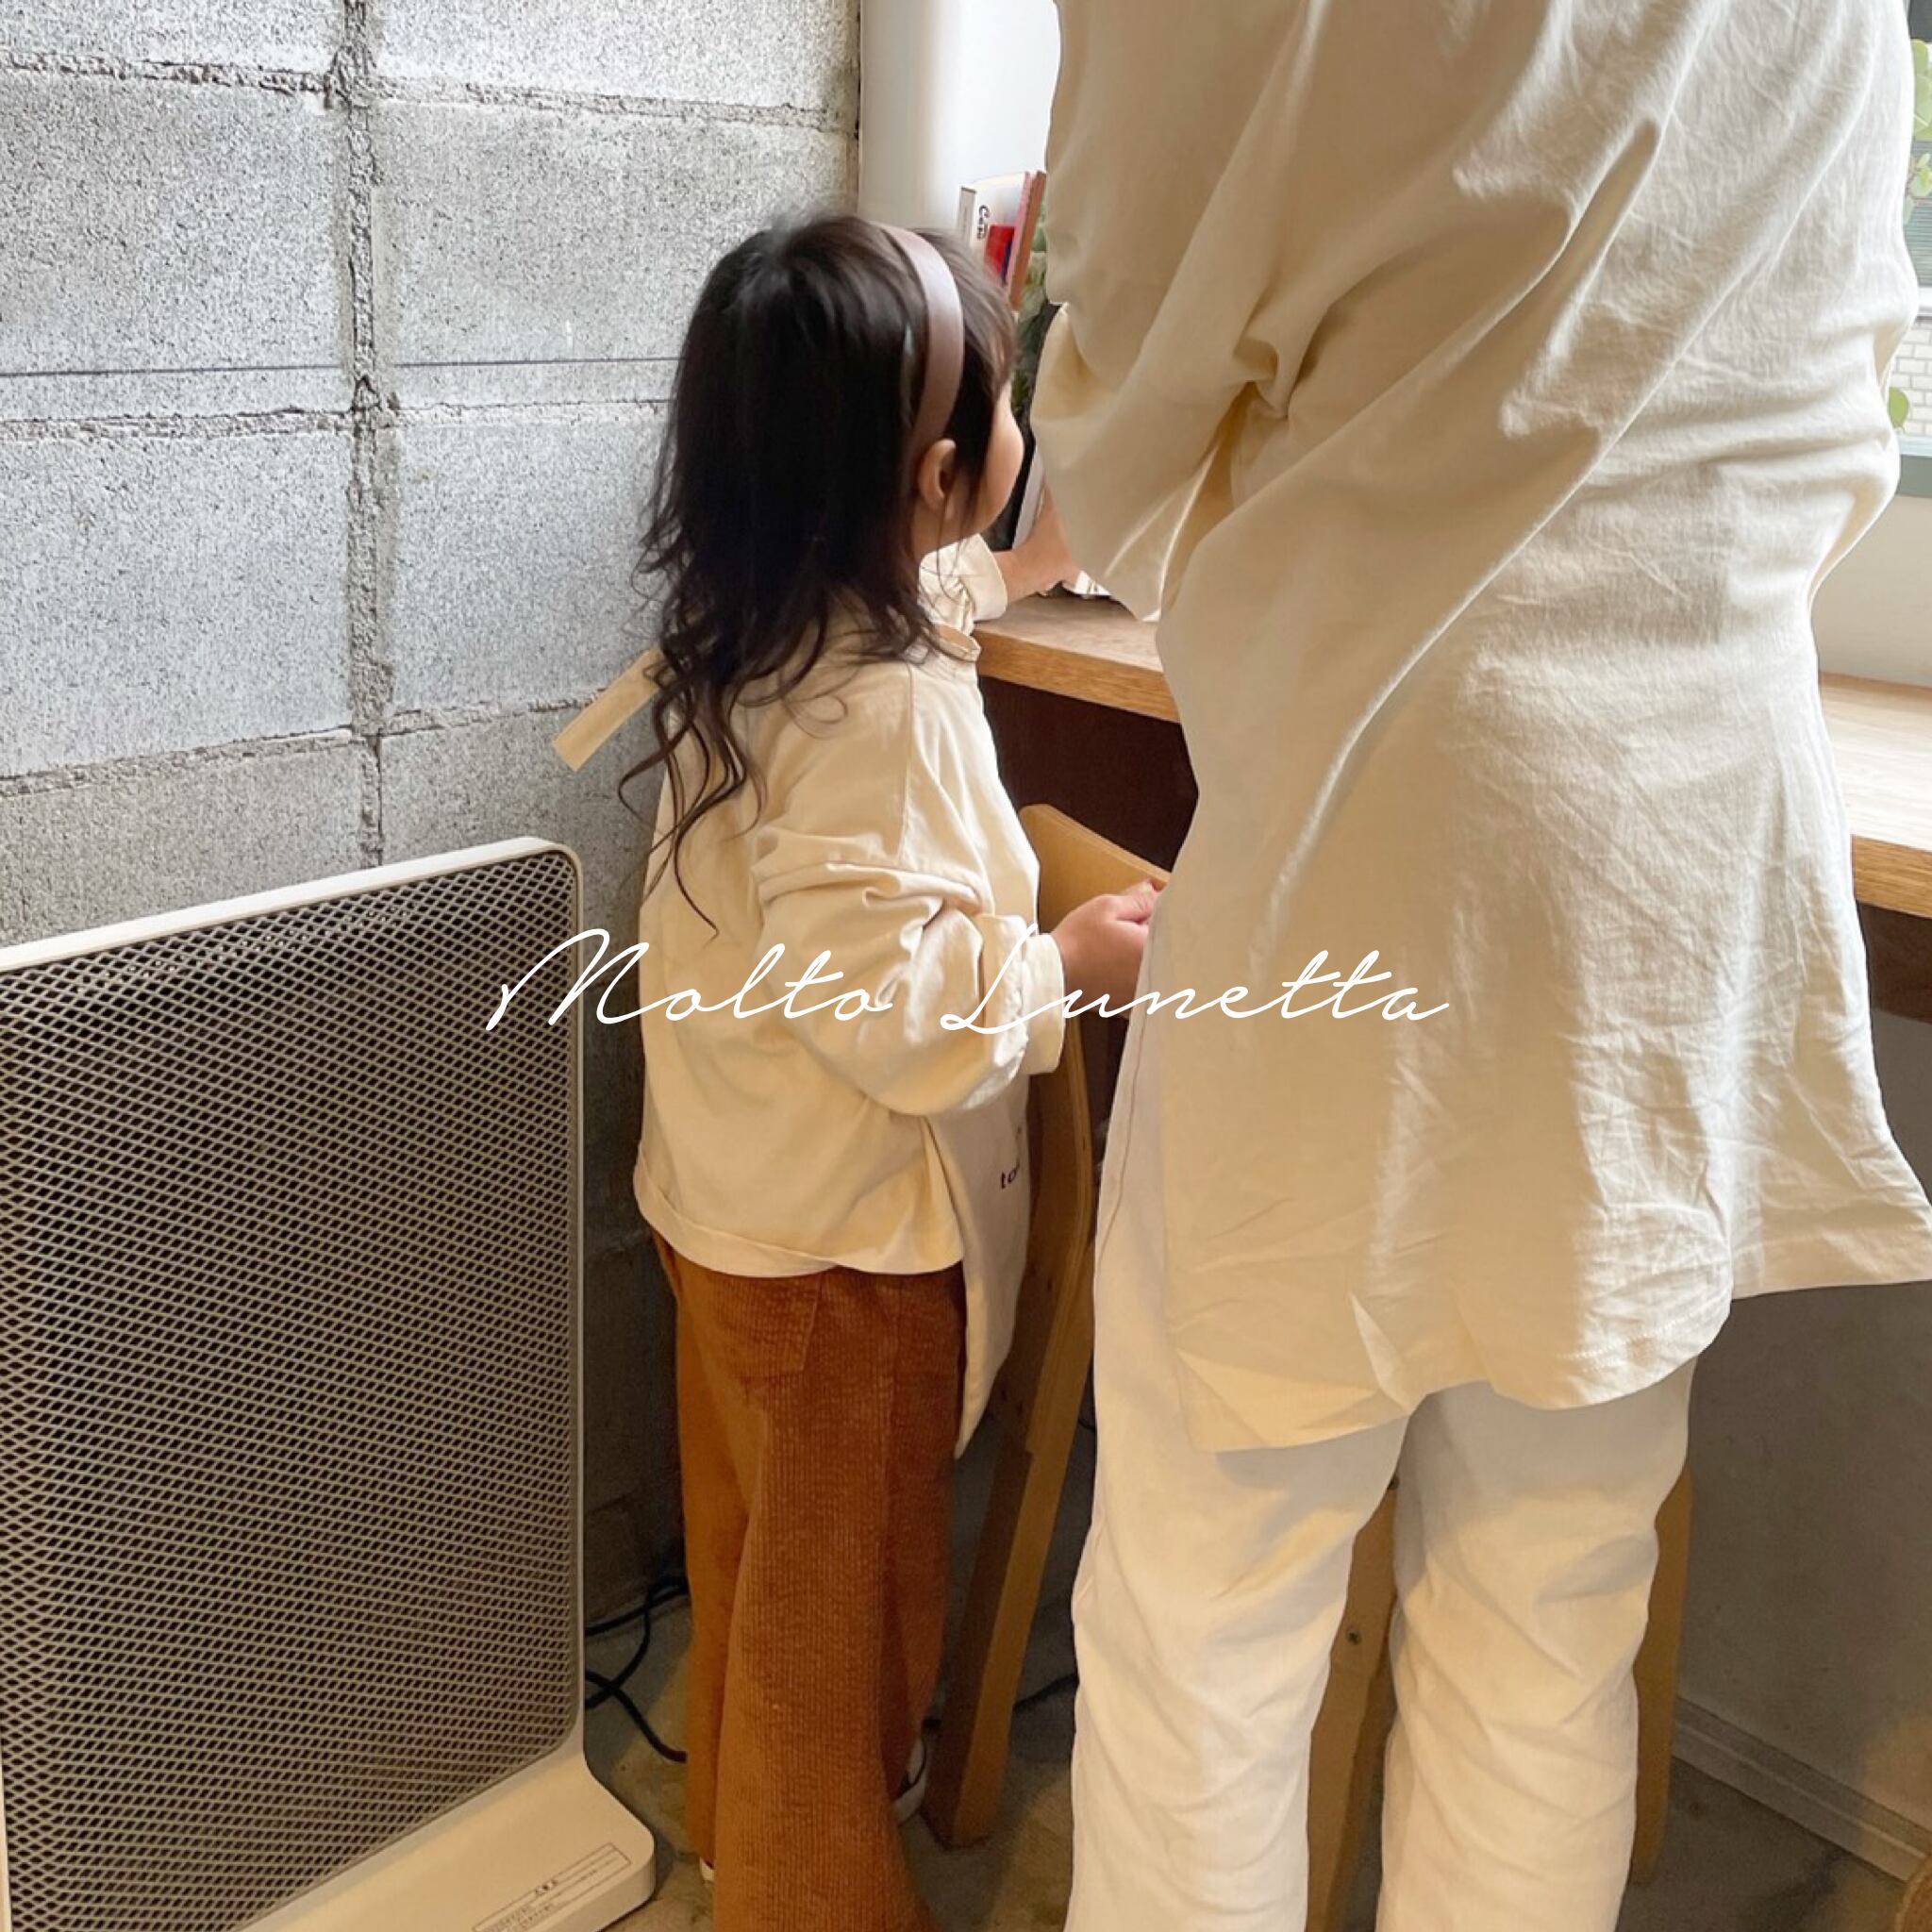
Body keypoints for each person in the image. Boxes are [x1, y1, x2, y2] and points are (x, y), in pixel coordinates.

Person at [1028, 3, 1932, 1927]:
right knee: (1552, 1599)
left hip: (1382, 809)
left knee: (1212, 1609)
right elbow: (1845, 386)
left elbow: (1113, 428)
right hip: (1691, 833)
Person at [621, 214, 1147, 1932]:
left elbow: (926, 608)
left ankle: (741, 1833)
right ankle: (807, 1886)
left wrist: (1020, 558)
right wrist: (1065, 965)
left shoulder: (763, 623)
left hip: (732, 1215)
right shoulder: (890, 715)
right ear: (936, 476)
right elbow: (904, 1021)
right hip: (844, 1267)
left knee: (763, 1576)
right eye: (1002, 396)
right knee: (835, 1647)